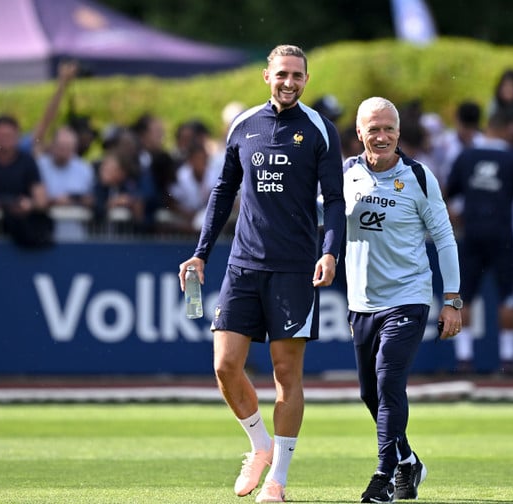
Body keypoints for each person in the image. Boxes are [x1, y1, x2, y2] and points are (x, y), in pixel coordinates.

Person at [178, 44, 344, 503]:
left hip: (294, 269)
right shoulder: (243, 125)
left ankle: (279, 480)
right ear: (266, 77)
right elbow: (223, 190)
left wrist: (330, 252)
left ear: (306, 80)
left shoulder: (319, 130)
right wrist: (200, 254)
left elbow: (334, 200)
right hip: (243, 265)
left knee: (286, 375)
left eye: (297, 75)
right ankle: (260, 447)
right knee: (225, 365)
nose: (289, 82)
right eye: (282, 74)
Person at [343, 97, 462, 503]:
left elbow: (444, 238)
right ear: (359, 132)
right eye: (373, 129)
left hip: (408, 298)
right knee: (369, 393)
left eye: (388, 129)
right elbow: (321, 224)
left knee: (389, 382)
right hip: (360, 302)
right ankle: (409, 461)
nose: (381, 137)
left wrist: (452, 299)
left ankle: (383, 475)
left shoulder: (418, 176)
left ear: (399, 132)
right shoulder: (344, 174)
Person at [445, 109, 513, 375]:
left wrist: (456, 215)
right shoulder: (512, 159)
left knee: (463, 296)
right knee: (507, 296)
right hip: (502, 235)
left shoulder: (466, 157)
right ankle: (508, 359)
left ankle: (464, 360)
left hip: (473, 232)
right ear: (509, 129)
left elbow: (446, 193)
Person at [0, 114, 51, 248]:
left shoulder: (27, 161)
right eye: (2, 136)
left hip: (21, 229)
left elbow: (41, 200)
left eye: (10, 136)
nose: (6, 140)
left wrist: (29, 204)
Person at [36, 126, 95, 241]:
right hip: (42, 232)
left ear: (75, 148)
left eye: (68, 147)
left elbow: (92, 198)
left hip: (74, 234)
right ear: (52, 145)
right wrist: (52, 201)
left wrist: (73, 200)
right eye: (61, 147)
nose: (64, 151)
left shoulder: (85, 169)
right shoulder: (38, 166)